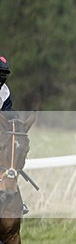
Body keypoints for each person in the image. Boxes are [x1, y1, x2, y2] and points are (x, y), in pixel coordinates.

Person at [0, 55, 27, 214]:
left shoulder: (4, 91)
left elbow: (8, 112)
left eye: (3, 75)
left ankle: (14, 202)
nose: (1, 78)